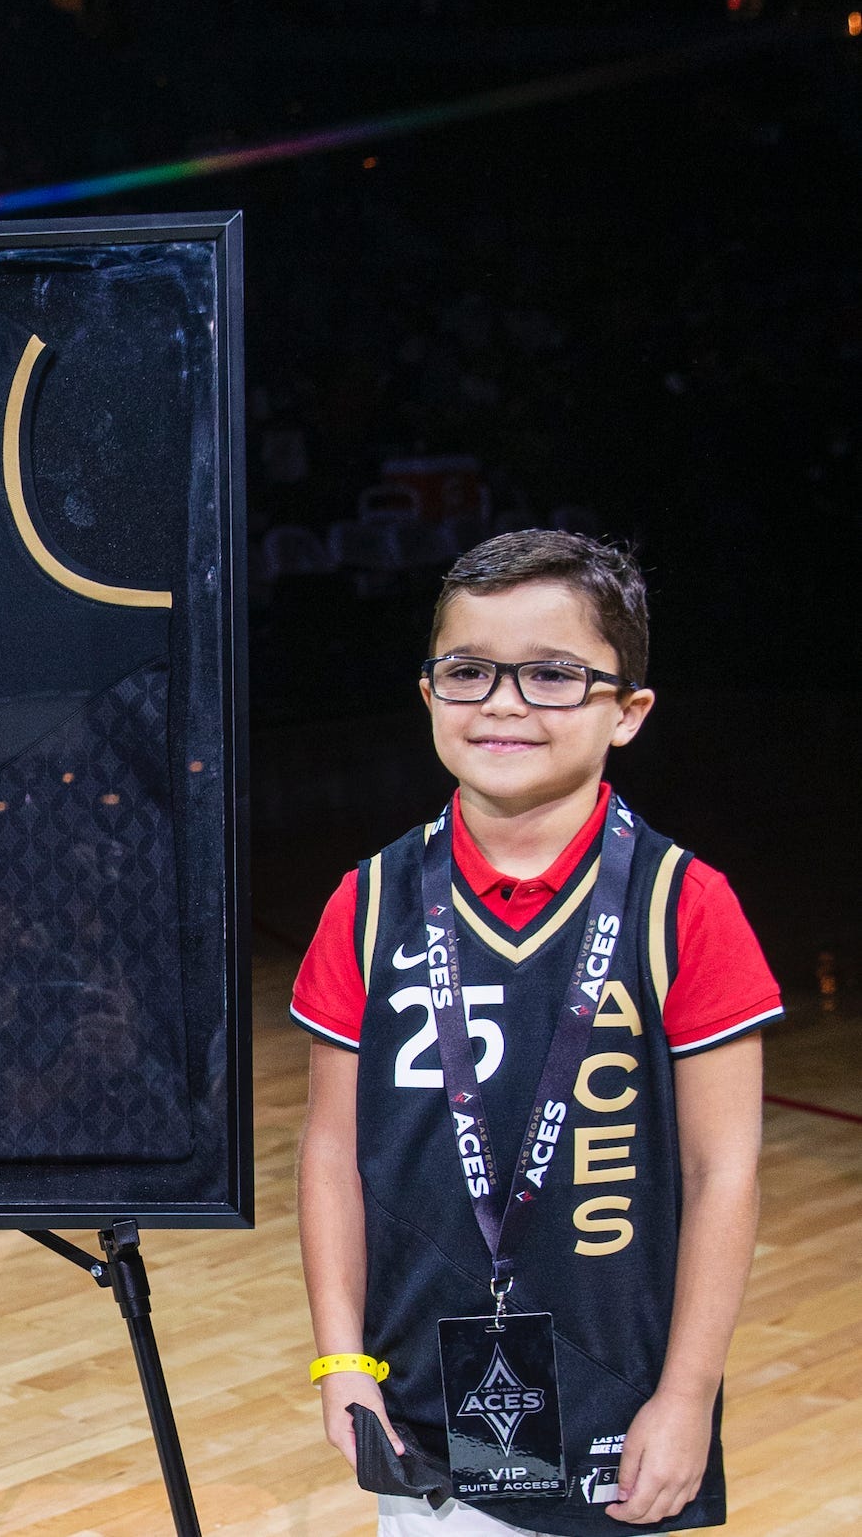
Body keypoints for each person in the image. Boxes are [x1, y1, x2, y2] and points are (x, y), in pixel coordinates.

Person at [291, 532, 780, 1535]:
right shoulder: (369, 899)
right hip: (424, 1406)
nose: (503, 703)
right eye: (468, 671)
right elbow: (330, 1150)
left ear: (627, 711)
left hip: (627, 1414)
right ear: (428, 694)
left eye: (552, 675)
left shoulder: (682, 905)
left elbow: (722, 1171)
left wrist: (686, 1397)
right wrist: (341, 1361)